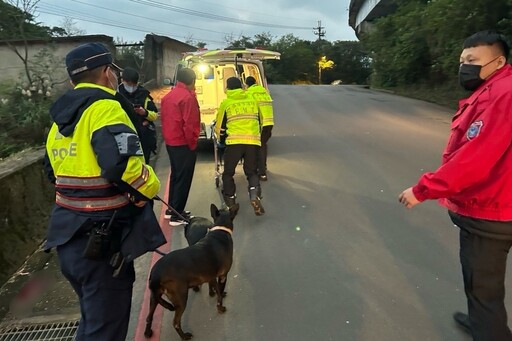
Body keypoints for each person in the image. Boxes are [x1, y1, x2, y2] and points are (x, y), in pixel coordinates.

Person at [43, 42, 165, 341]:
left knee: (92, 322)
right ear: (108, 73)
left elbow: (50, 172)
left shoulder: (60, 122)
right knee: (105, 330)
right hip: (101, 242)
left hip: (67, 237)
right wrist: (150, 186)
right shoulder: (106, 108)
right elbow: (124, 167)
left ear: (73, 80)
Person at [398, 30, 512, 341]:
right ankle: (483, 322)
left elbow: (474, 159)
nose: (464, 66)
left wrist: (422, 190)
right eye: (462, 60)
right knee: (484, 284)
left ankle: (488, 329)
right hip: (501, 202)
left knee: (482, 285)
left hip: (490, 209)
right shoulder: (496, 89)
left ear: (499, 61)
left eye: (473, 60)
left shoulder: (502, 95)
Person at [215, 76, 265, 216]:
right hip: (252, 142)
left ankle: (231, 201)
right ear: (242, 87)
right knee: (251, 171)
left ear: (227, 88)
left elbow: (220, 127)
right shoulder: (252, 101)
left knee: (228, 173)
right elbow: (261, 120)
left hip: (234, 143)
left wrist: (221, 139)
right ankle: (254, 195)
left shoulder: (227, 103)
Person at [160, 67, 200, 226]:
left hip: (171, 141)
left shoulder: (169, 96)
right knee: (184, 178)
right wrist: (192, 144)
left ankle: (172, 210)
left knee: (176, 175)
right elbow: (189, 125)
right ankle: (177, 215)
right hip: (183, 142)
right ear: (192, 81)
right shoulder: (187, 98)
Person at [118, 67, 159, 164]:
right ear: (123, 81)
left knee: (144, 164)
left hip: (142, 138)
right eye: (129, 84)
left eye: (134, 84)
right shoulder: (116, 94)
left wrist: (144, 113)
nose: (132, 87)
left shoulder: (143, 94)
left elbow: (154, 114)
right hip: (122, 137)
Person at [245, 76, 274, 181]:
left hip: (260, 123)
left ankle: (261, 172)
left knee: (257, 147)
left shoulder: (249, 93)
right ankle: (262, 167)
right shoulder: (264, 92)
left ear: (246, 84)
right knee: (263, 145)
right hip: (269, 122)